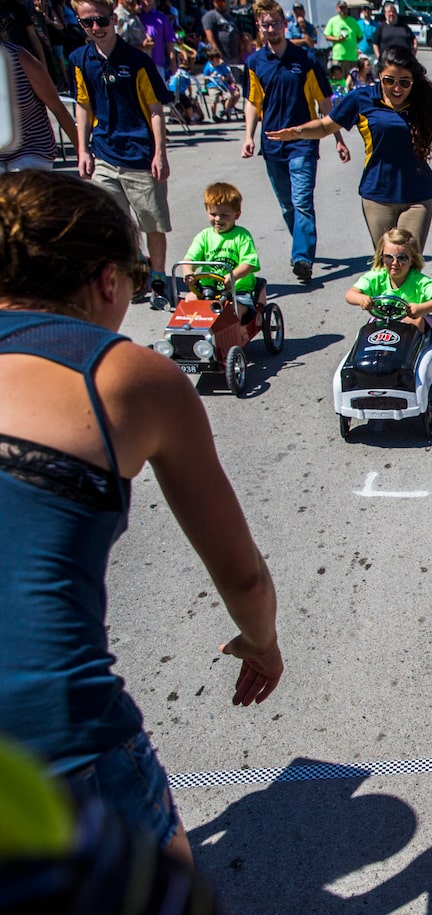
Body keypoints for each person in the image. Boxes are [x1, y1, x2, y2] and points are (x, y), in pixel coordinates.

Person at [0, 169, 282, 867]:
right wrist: (261, 642)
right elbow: (241, 574)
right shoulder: (125, 376)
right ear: (105, 281)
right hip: (51, 725)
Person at [270, 44, 432, 251]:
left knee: (408, 261)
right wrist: (297, 132)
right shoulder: (361, 100)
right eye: (389, 81)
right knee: (387, 264)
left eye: (404, 82)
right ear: (379, 77)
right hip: (377, 194)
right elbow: (325, 126)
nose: (397, 88)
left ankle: (416, 308)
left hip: (417, 195)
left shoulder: (424, 103)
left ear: (413, 81)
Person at [71, 0, 174, 309]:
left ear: (114, 19)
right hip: (103, 153)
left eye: (101, 21)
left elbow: (156, 110)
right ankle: (134, 275)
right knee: (115, 225)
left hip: (140, 155)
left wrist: (160, 153)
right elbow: (83, 105)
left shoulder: (137, 60)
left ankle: (158, 278)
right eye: (86, 23)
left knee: (151, 224)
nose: (95, 28)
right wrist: (82, 151)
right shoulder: (80, 59)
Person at [243, 0, 350, 285]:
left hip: (302, 141)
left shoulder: (305, 59)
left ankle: (302, 258)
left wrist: (337, 138)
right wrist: (248, 137)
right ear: (259, 27)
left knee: (302, 201)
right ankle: (300, 246)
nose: (271, 29)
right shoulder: (254, 63)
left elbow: (324, 103)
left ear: (284, 23)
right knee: (287, 205)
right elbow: (253, 102)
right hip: (272, 144)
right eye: (265, 24)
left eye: (275, 23)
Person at [344, 226, 432, 336]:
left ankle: (410, 351)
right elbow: (350, 294)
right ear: (381, 257)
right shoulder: (376, 277)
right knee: (366, 332)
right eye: (388, 257)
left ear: (412, 259)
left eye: (402, 258)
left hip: (411, 328)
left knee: (413, 321)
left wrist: (421, 308)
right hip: (382, 322)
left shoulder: (418, 281)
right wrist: (361, 298)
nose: (394, 263)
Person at [0, 40, 79, 171]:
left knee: (23, 185)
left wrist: (82, 152)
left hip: (31, 147)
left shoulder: (21, 58)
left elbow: (58, 109)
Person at [181, 181, 261, 308]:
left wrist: (233, 275)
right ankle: (190, 327)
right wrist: (188, 272)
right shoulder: (204, 236)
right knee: (189, 301)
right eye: (213, 214)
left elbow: (249, 263)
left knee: (236, 310)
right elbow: (190, 258)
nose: (218, 219)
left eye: (224, 215)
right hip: (208, 287)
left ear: (237, 214)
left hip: (237, 289)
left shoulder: (242, 236)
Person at [136, 0, 175, 78]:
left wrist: (173, 65)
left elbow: (169, 43)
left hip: (157, 65)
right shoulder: (134, 16)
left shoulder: (161, 18)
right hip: (137, 66)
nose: (147, 2)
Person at [323, 1, 361, 76]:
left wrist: (353, 43)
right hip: (339, 57)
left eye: (344, 8)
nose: (343, 10)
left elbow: (360, 36)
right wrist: (337, 39)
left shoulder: (353, 21)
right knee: (339, 80)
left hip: (352, 57)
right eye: (341, 8)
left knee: (352, 80)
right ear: (337, 9)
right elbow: (327, 36)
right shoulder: (333, 21)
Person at [203, 50, 241, 116]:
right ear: (211, 60)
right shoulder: (208, 67)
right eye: (216, 59)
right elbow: (205, 77)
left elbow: (227, 75)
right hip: (213, 85)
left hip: (223, 85)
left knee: (229, 96)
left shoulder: (222, 66)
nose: (219, 60)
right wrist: (211, 76)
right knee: (214, 99)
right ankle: (214, 115)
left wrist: (225, 78)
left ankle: (226, 111)